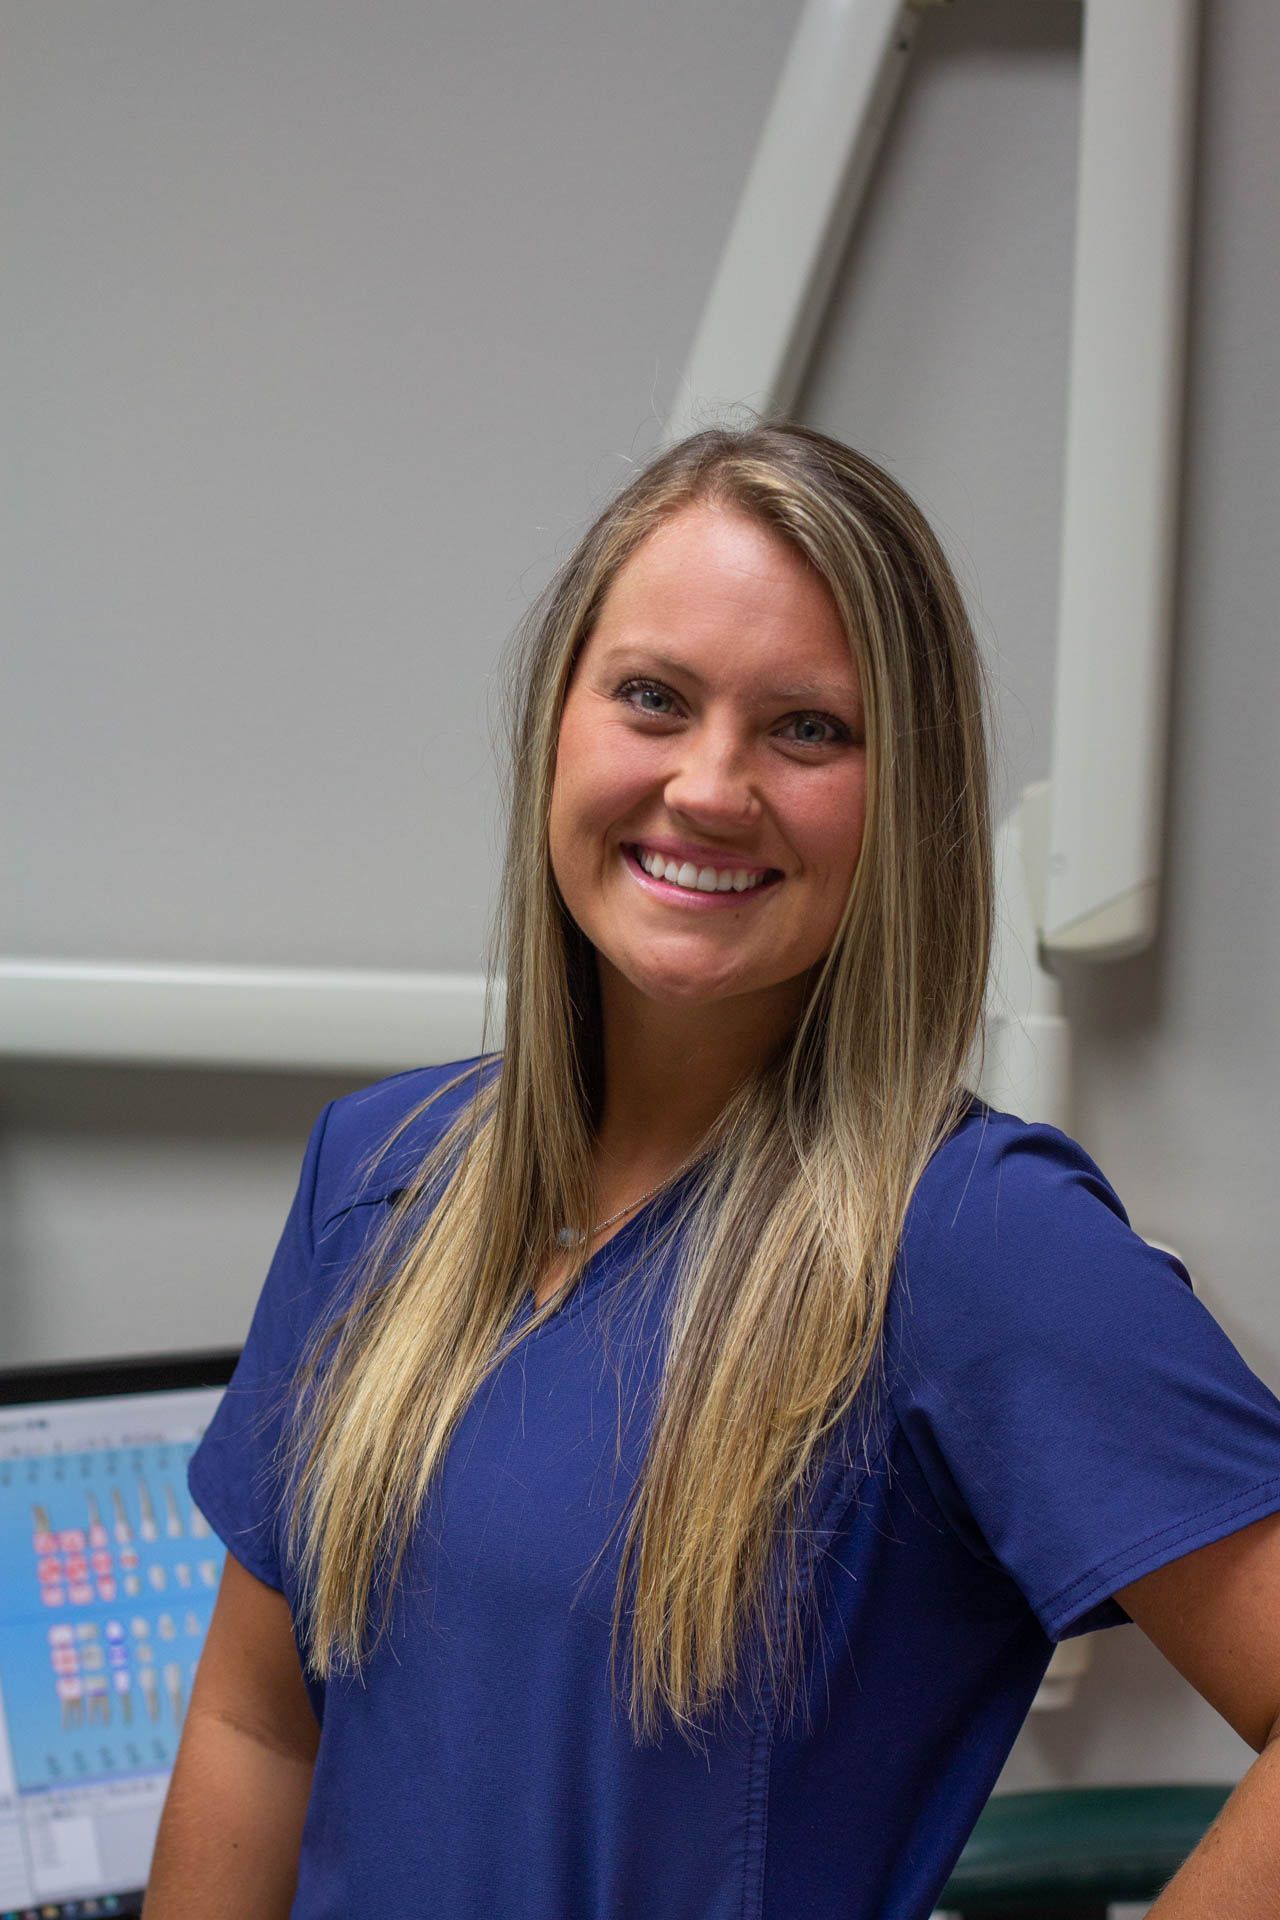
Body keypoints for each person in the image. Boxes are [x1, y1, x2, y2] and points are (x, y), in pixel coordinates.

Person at [143, 423, 1280, 1919]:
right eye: (653, 699)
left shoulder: (971, 1240)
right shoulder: (382, 1177)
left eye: (808, 728)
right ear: (558, 720)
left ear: (906, 804)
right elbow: (256, 1728)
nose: (710, 785)